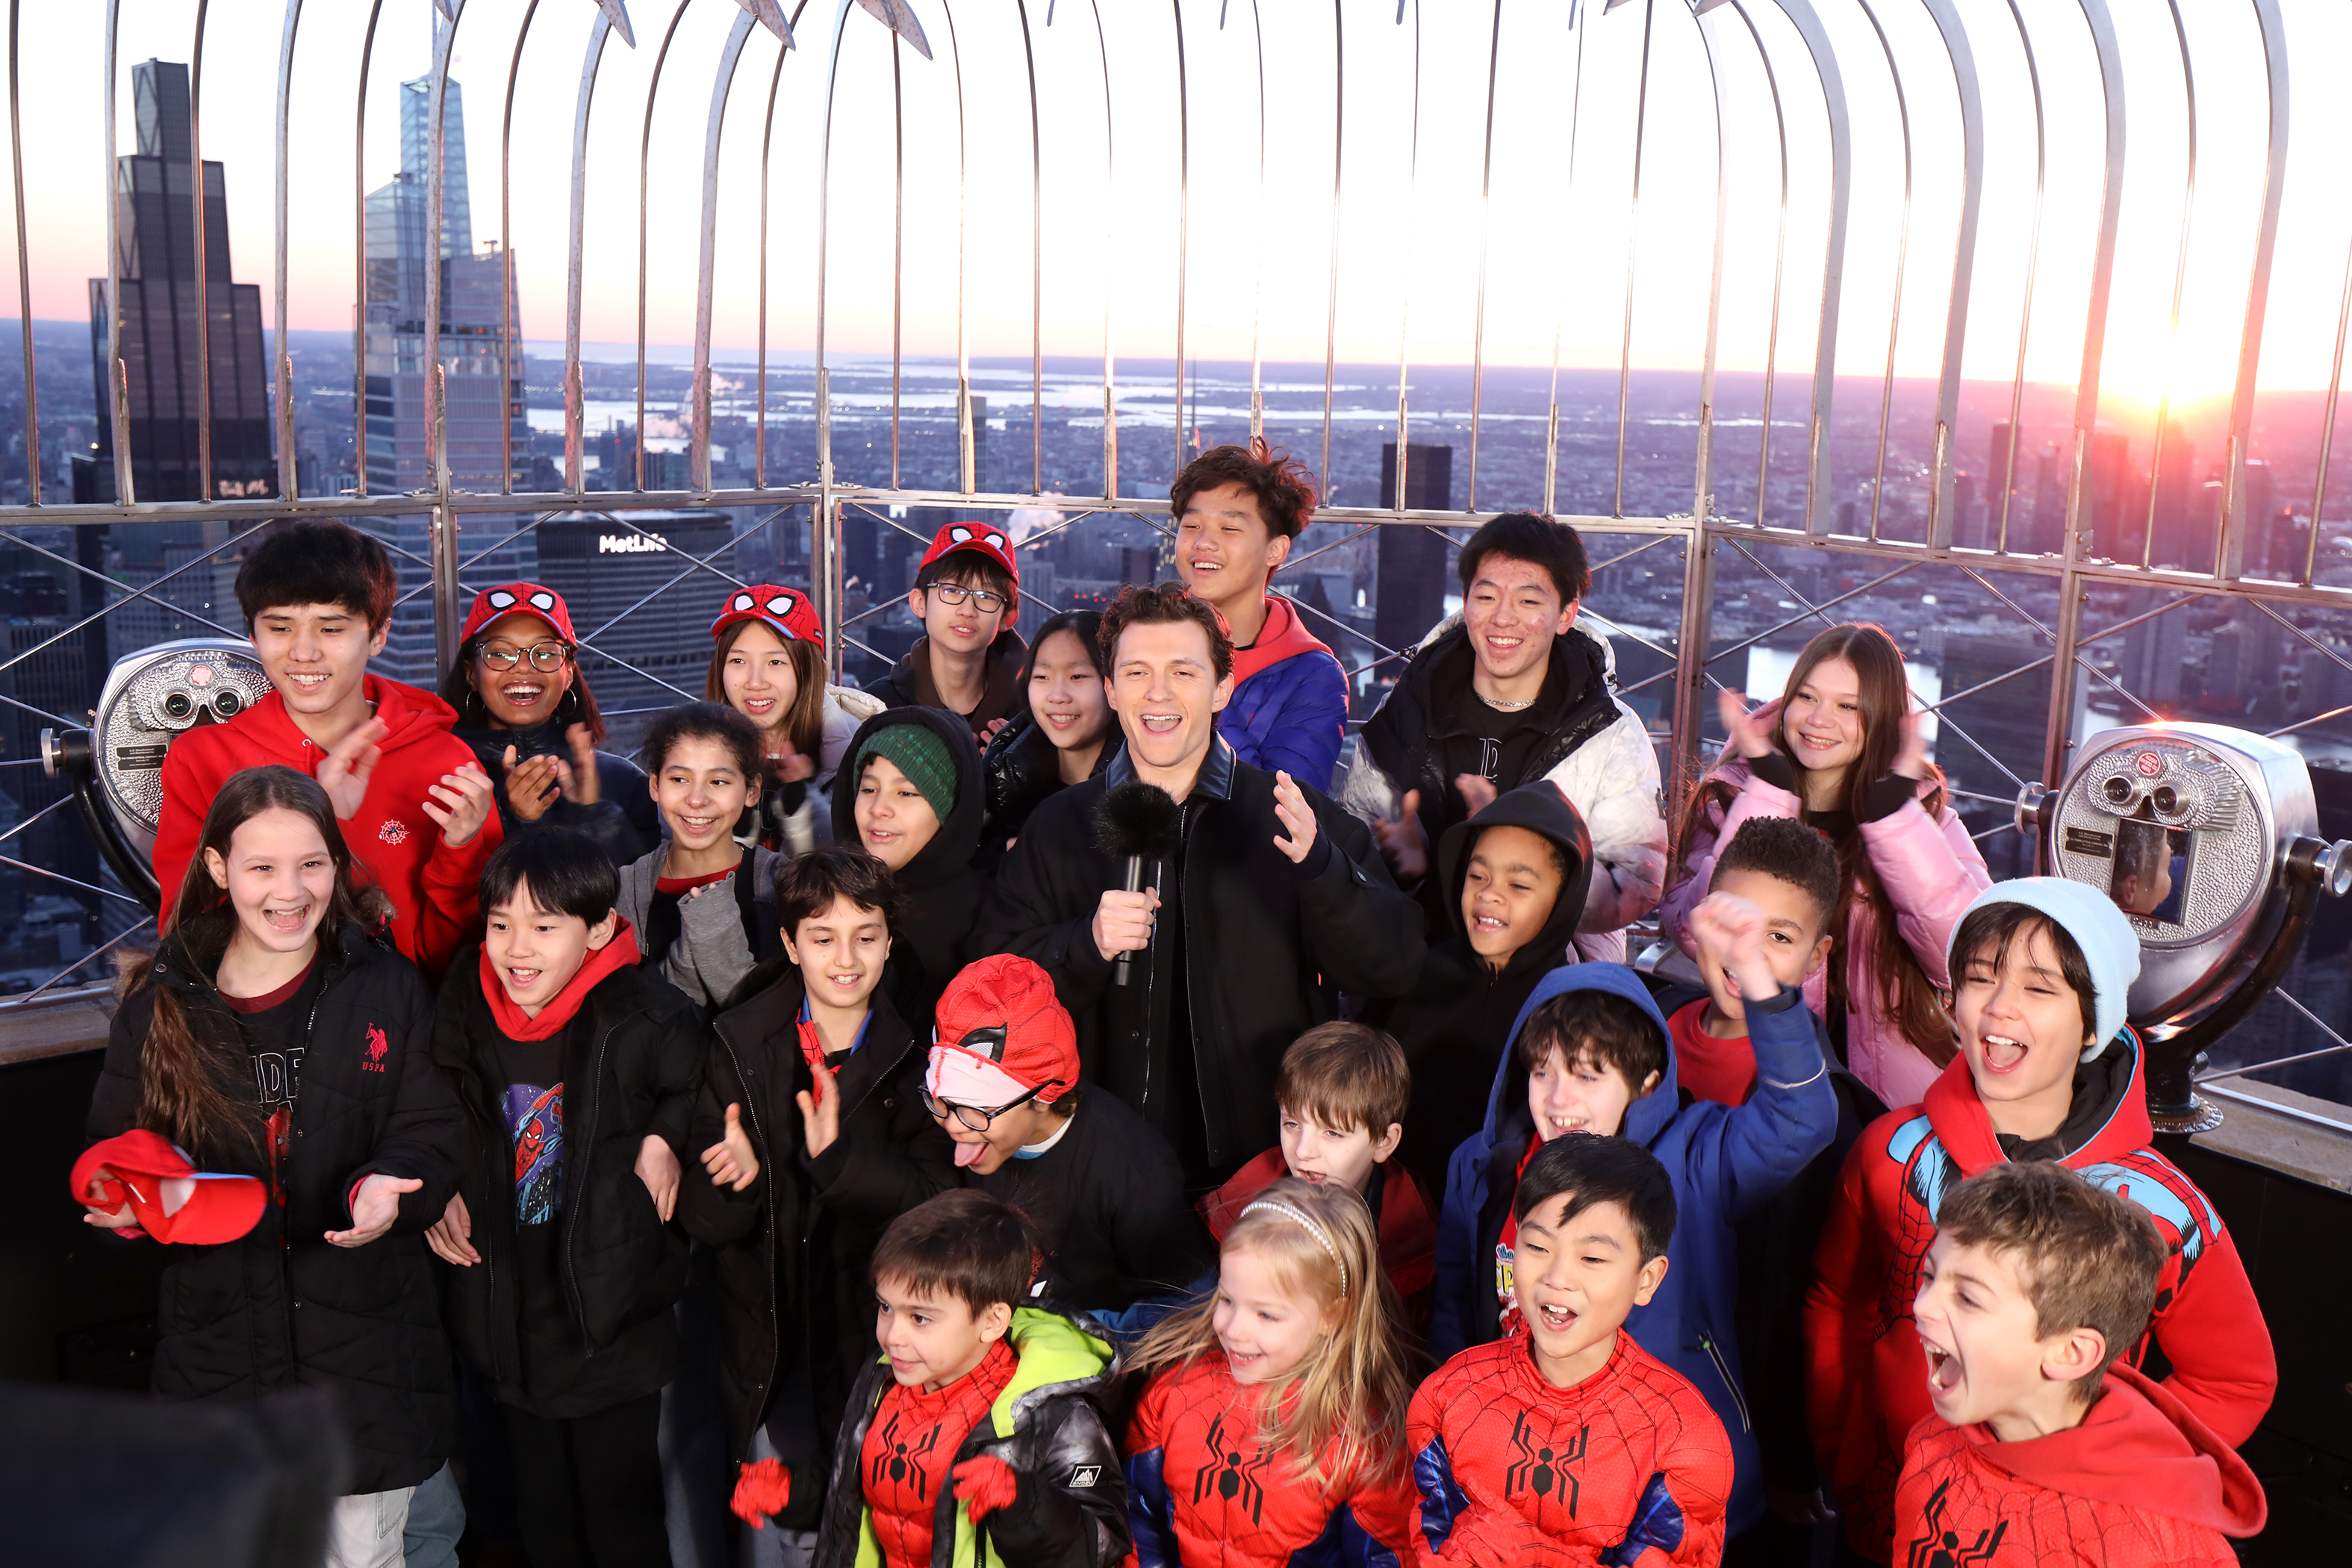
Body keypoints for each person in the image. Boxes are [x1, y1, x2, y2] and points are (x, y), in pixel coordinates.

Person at [1805, 879, 2277, 1564]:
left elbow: (2235, 1379)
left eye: (2039, 987)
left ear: (2093, 1023)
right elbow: (1837, 1302)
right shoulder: (1890, 1151)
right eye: (1979, 978)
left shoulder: (2164, 1209)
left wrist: (2113, 1479)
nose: (1999, 1007)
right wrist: (1840, 1446)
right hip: (1882, 1513)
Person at [84, 765, 461, 1568]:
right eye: (262, 867)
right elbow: (117, 1165)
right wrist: (125, 1211)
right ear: (219, 869)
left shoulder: (387, 986)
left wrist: (393, 1186)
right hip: (219, 1360)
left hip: (367, 1363)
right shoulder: (160, 1005)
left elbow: (432, 1133)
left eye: (311, 864)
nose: (290, 892)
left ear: (336, 864)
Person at [982, 582, 1424, 1192]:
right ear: (1111, 690)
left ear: (1221, 688)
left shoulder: (1290, 813)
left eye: (1183, 672)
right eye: (1136, 672)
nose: (1158, 693)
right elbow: (993, 986)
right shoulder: (1059, 826)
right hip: (1097, 1168)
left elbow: (1393, 966)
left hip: (1265, 1166)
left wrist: (1322, 870)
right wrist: (1086, 943)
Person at [1429, 915, 1838, 1539]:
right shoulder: (1484, 1168)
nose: (1558, 1099)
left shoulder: (1695, 1158)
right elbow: (1456, 1312)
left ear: (1647, 1082)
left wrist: (1759, 981)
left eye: (1587, 1075)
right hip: (1525, 1477)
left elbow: (1803, 1120)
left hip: (1666, 1488)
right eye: (1542, 1071)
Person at [425, 827, 702, 1568]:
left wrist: (665, 1134)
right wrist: (439, 1183)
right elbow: (433, 1101)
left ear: (599, 930)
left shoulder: (646, 1012)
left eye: (545, 927)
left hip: (611, 1322)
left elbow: (699, 1088)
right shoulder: (466, 999)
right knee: (540, 1520)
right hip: (507, 1315)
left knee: (620, 1525)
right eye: (501, 925)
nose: (518, 949)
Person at [683, 844, 958, 1541]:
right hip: (767, 1340)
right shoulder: (740, 1043)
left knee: (872, 1524)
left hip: (876, 1341)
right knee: (776, 1527)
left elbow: (937, 1197)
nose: (845, 959)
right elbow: (706, 1224)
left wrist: (839, 1164)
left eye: (865, 937)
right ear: (790, 944)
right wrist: (735, 1183)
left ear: (889, 942)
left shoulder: (923, 1054)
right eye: (822, 938)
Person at [1664, 622, 1994, 1109]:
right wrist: (1769, 792)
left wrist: (1893, 822)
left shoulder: (1927, 818)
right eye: (1807, 697)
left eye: (1848, 707)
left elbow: (1970, 958)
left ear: (1882, 718)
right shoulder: (1731, 798)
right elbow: (1692, 934)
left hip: (1884, 1099)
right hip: (1753, 1085)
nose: (1819, 720)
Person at [157, 520, 500, 980]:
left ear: (378, 634)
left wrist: (461, 854)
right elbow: (189, 936)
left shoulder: (446, 762)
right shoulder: (202, 759)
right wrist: (321, 825)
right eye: (280, 627)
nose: (304, 653)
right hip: (261, 1017)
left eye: (331, 629)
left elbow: (464, 957)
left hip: (408, 1014)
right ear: (253, 637)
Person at [1894, 1163, 2266, 1566]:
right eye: (1930, 1276)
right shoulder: (1930, 1443)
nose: (1921, 1305)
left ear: (2070, 1353)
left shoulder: (2156, 1545)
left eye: (1968, 1298)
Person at [1342, 511, 1666, 962]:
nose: (1503, 618)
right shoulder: (1405, 710)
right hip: (1412, 960)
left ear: (1566, 614)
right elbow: (1355, 836)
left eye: (1529, 601)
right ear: (1465, 602)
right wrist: (1400, 867)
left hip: (1550, 976)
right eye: (1487, 596)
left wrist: (1517, 845)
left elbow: (1633, 885)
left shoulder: (1610, 733)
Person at [1407, 1135, 1733, 1567]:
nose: (1557, 1277)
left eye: (1592, 1258)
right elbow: (1426, 1544)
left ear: (1647, 1280)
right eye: (1537, 1247)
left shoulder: (1683, 1438)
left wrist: (1517, 1549)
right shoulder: (1449, 1397)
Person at [795, 1190, 1132, 1567]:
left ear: (992, 1322)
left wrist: (1024, 1505)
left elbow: (1105, 1545)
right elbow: (869, 1498)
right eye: (886, 1307)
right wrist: (798, 1495)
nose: (892, 1336)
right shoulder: (881, 1380)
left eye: (920, 1318)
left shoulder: (1053, 1415)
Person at [1124, 1178, 1417, 1567]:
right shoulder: (1172, 1392)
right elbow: (1138, 1516)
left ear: (1332, 1315)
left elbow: (1385, 1557)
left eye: (1266, 1314)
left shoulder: (1363, 1442)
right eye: (1227, 1299)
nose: (1233, 1330)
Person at [921, 953, 1212, 1316]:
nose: (953, 1125)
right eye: (941, 1101)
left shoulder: (1134, 1175)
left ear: (1044, 1096)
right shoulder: (971, 1131)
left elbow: (1187, 1304)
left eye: (978, 1109)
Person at [1366, 780, 1595, 1196]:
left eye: (1518, 885)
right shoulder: (1420, 970)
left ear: (1563, 900)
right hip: (1388, 1204)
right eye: (1477, 875)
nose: (1489, 894)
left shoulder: (1570, 1012)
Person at [1195, 1024, 1439, 1340]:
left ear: (1384, 1142)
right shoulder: (1244, 1205)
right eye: (1292, 1124)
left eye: (1332, 1133)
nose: (1302, 1151)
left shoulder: (1416, 1241)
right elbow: (1196, 1308)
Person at [1169, 439, 1350, 789]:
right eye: (1191, 526)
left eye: (1229, 528)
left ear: (1275, 550)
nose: (1203, 542)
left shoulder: (1313, 675)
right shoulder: (1140, 641)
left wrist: (1200, 689)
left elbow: (1286, 805)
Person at [440, 582, 660, 866]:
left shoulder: (626, 782)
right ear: (471, 673)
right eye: (500, 653)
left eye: (544, 653)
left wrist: (593, 820)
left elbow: (640, 891)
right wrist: (509, 821)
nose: (523, 667)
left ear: (569, 673)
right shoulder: (441, 780)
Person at [615, 703, 783, 1015]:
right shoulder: (622, 890)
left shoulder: (783, 883)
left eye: (718, 782)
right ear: (655, 785)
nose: (696, 800)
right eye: (679, 779)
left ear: (752, 791)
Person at [832, 706, 989, 1020]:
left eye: (905, 792)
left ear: (948, 809)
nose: (879, 808)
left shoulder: (987, 921)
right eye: (869, 789)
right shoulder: (827, 895)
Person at [707, 583, 885, 853]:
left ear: (814, 672)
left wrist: (803, 808)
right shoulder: (694, 750)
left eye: (775, 662)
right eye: (738, 661)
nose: (755, 682)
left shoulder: (863, 757)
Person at [977, 608, 1119, 875]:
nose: (1057, 696)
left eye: (1077, 676)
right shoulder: (1002, 784)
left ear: (1112, 686)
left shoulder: (1138, 793)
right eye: (1042, 677)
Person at [866, 521, 1030, 742]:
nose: (967, 611)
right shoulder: (876, 707)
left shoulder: (1032, 713)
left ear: (1008, 617)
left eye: (986, 596)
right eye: (952, 590)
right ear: (919, 602)